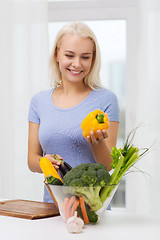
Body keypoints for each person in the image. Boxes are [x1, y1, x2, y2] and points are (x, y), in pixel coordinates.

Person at [27, 21, 120, 203]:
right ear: (57, 54)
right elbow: (31, 160)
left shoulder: (106, 100)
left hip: (94, 208)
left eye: (85, 57)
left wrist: (97, 142)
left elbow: (108, 166)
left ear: (93, 59)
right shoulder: (39, 101)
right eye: (69, 55)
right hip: (52, 207)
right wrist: (45, 162)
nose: (77, 64)